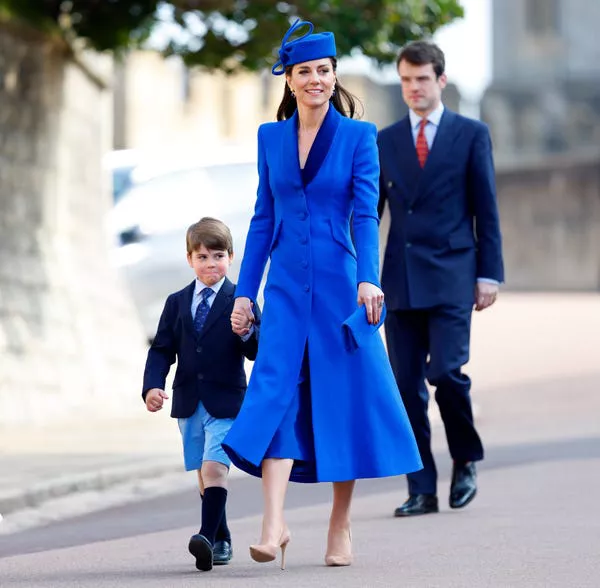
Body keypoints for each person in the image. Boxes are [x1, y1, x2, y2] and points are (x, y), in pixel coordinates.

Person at [223, 19, 422, 569]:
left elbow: (364, 214)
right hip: (286, 289)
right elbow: (264, 218)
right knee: (275, 391)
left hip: (340, 288)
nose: (316, 80)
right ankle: (273, 524)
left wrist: (368, 277)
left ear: (335, 76)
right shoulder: (270, 137)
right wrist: (246, 292)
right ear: (288, 79)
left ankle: (340, 524)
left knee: (342, 400)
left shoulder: (359, 138)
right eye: (304, 71)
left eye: (324, 71)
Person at [377, 41, 504, 517]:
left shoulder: (471, 134)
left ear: (441, 81)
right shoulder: (385, 140)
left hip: (454, 273)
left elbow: (486, 210)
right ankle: (421, 487)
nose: (413, 88)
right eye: (406, 80)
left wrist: (489, 273)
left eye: (422, 79)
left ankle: (466, 458)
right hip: (401, 279)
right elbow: (371, 218)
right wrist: (363, 277)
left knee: (446, 374)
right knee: (405, 386)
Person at [142, 217, 260, 571]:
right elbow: (161, 349)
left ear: (231, 256)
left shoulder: (242, 300)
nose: (211, 264)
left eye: (218, 256)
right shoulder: (176, 302)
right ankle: (221, 538)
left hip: (226, 401)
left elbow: (257, 350)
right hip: (188, 400)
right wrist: (152, 385)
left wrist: (246, 332)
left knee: (214, 468)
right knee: (202, 473)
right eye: (203, 256)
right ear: (190, 259)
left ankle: (206, 536)